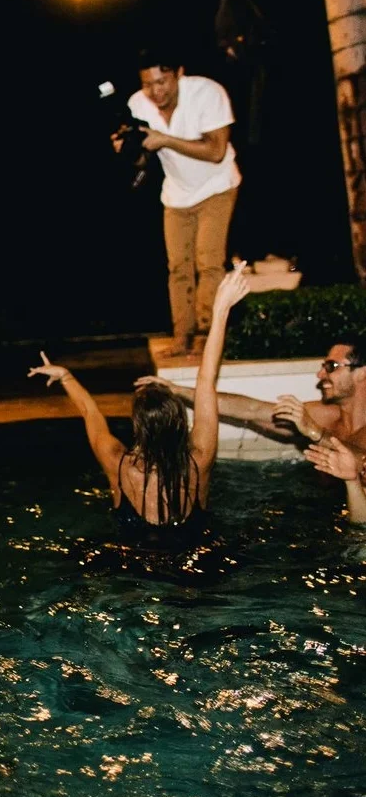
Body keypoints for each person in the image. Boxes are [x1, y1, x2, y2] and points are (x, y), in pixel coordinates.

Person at [29, 271, 249, 541]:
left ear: (138, 427)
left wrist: (65, 376)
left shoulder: (117, 463)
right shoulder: (199, 461)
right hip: (194, 559)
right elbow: (206, 380)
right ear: (181, 421)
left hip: (132, 561)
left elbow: (89, 411)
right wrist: (221, 310)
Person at [119, 47, 242, 356]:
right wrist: (128, 148)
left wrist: (165, 139)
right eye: (147, 84)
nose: (155, 91)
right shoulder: (137, 103)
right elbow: (142, 160)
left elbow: (216, 152)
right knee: (177, 268)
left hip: (217, 186)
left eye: (162, 82)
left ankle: (206, 334)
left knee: (208, 262)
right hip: (177, 192)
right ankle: (181, 335)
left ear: (179, 74)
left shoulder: (207, 93)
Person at [136, 337, 366, 457]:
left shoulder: (319, 424)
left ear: (362, 373)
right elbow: (250, 409)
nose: (320, 374)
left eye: (331, 366)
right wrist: (177, 389)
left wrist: (314, 432)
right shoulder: (325, 415)